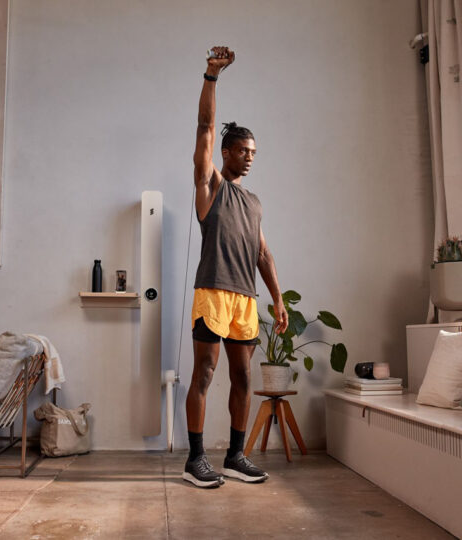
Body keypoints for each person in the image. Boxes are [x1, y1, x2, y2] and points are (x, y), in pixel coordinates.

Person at [183, 46, 288, 489]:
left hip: (246, 298)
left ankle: (234, 456)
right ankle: (194, 460)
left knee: (243, 377)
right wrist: (212, 76)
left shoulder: (254, 202)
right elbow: (206, 126)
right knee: (205, 373)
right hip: (213, 291)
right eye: (242, 150)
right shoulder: (211, 185)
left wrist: (278, 298)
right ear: (225, 152)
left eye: (254, 152)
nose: (249, 157)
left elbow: (263, 254)